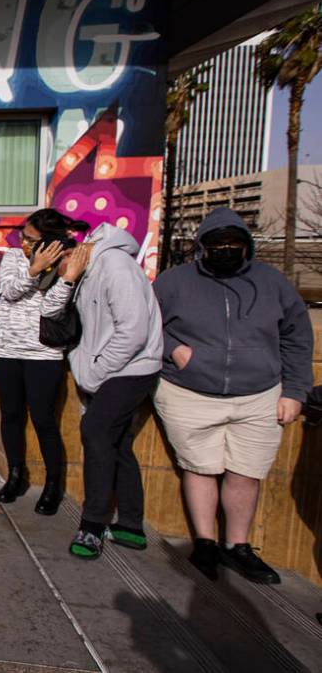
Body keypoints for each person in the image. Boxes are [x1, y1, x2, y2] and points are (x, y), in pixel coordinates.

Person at [153, 207, 312, 584]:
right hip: (188, 391)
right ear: (202, 246)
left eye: (234, 243)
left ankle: (237, 547)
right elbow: (144, 323)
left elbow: (297, 337)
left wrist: (294, 391)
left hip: (258, 394)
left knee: (246, 473)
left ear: (247, 246)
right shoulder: (173, 282)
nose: (225, 249)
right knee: (199, 468)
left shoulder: (273, 283)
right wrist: (175, 348)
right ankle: (205, 543)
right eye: (217, 243)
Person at [41, 223, 163, 560]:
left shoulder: (116, 267)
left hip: (131, 368)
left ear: (68, 252)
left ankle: (92, 526)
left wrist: (95, 371)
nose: (55, 273)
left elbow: (133, 332)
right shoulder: (85, 272)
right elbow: (50, 313)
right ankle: (130, 524)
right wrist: (67, 279)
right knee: (117, 442)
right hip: (109, 369)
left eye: (56, 266)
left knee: (94, 431)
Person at [0, 209, 88, 514]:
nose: (23, 242)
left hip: (44, 355)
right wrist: (35, 268)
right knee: (11, 416)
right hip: (6, 351)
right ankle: (16, 475)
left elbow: (52, 310)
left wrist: (65, 276)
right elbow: (9, 291)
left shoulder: (67, 262)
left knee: (44, 420)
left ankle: (52, 485)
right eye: (23, 236)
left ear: (49, 242)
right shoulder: (13, 258)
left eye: (31, 239)